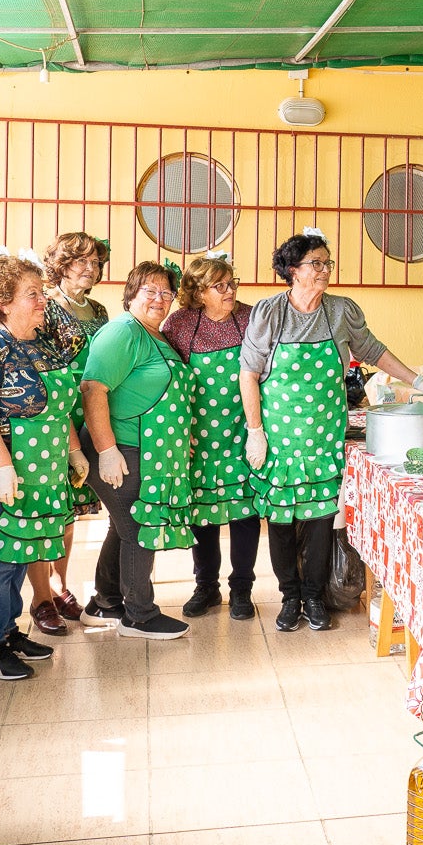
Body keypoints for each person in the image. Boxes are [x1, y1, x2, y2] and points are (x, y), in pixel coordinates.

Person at [241, 231, 418, 632]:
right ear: (292, 270)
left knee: (322, 517)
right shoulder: (269, 313)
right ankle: (289, 597)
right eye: (315, 264)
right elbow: (248, 375)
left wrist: (418, 379)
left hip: (324, 436)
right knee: (282, 520)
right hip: (279, 436)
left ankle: (315, 596)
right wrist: (256, 431)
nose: (324, 271)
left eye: (327, 263)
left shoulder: (341, 311)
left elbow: (373, 351)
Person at [0, 255, 89, 680]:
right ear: (4, 302)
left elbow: (60, 406)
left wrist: (74, 452)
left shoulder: (41, 343)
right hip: (3, 468)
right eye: (32, 294)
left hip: (44, 467)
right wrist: (0, 468)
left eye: (42, 292)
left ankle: (8, 631)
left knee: (22, 551)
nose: (42, 301)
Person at [79, 262, 194, 641]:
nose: (160, 299)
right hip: (124, 449)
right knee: (138, 530)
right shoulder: (122, 331)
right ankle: (139, 615)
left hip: (152, 453)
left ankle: (106, 601)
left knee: (123, 526)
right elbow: (93, 389)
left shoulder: (156, 336)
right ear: (130, 295)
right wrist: (107, 450)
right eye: (150, 291)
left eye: (166, 293)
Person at [161, 254, 261, 621]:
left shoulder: (250, 318)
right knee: (203, 516)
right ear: (199, 292)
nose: (230, 290)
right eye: (219, 285)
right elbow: (168, 376)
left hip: (242, 429)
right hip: (198, 436)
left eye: (232, 282)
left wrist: (258, 431)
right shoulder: (181, 324)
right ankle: (206, 586)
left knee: (245, 514)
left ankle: (242, 590)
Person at [33, 232, 109, 634]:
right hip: (54, 412)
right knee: (47, 507)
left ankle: (62, 586)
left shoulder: (98, 308)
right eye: (81, 260)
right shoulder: (44, 307)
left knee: (71, 511)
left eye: (96, 261)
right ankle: (40, 598)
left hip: (90, 409)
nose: (90, 268)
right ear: (61, 264)